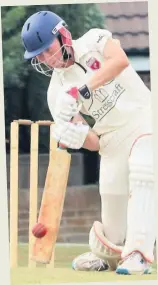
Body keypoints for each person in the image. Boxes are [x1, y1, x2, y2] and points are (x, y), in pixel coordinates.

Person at [21, 10, 156, 275]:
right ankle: (110, 253)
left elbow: (119, 61)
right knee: (113, 205)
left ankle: (139, 252)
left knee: (143, 166)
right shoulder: (55, 93)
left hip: (145, 118)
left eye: (49, 50)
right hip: (111, 141)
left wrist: (81, 90)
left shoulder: (95, 41)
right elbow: (95, 142)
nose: (48, 60)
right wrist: (79, 136)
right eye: (40, 56)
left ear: (64, 35)